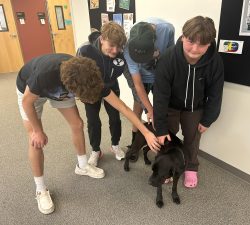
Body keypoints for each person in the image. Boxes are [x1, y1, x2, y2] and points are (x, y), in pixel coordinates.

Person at [16, 54, 160, 214]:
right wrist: (37, 130)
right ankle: (40, 189)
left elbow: (123, 108)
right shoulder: (44, 75)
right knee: (35, 141)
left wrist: (146, 132)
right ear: (73, 90)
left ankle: (82, 166)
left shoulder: (92, 79)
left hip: (61, 89)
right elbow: (27, 101)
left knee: (77, 124)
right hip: (29, 93)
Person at [153, 16, 224, 188]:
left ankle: (191, 166)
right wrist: (161, 128)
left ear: (209, 44)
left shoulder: (215, 62)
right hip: (170, 105)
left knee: (192, 138)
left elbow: (215, 93)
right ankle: (165, 167)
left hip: (195, 107)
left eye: (202, 44)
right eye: (191, 41)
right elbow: (160, 96)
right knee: (166, 137)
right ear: (183, 37)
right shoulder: (168, 59)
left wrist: (208, 119)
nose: (195, 48)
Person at [77, 22, 134, 165]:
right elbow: (76, 75)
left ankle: (115, 145)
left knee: (115, 119)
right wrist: (82, 95)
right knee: (93, 121)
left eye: (119, 47)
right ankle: (96, 150)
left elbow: (130, 78)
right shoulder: (85, 50)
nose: (115, 50)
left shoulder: (121, 54)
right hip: (91, 91)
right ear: (102, 39)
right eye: (111, 45)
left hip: (111, 88)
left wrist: (140, 100)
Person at [123, 18, 175, 159]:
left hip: (160, 73)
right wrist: (149, 109)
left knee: (162, 107)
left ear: (154, 41)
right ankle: (134, 143)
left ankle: (162, 142)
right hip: (141, 76)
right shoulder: (128, 47)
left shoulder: (167, 29)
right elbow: (138, 84)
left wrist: (154, 110)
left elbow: (171, 56)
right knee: (139, 105)